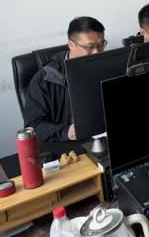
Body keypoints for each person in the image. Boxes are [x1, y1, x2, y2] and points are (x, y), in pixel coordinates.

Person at [23, 16, 107, 144]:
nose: (97, 52)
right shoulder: (46, 78)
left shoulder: (108, 66)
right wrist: (67, 132)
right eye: (90, 47)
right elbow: (34, 127)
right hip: (67, 142)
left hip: (103, 135)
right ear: (71, 44)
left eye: (101, 45)